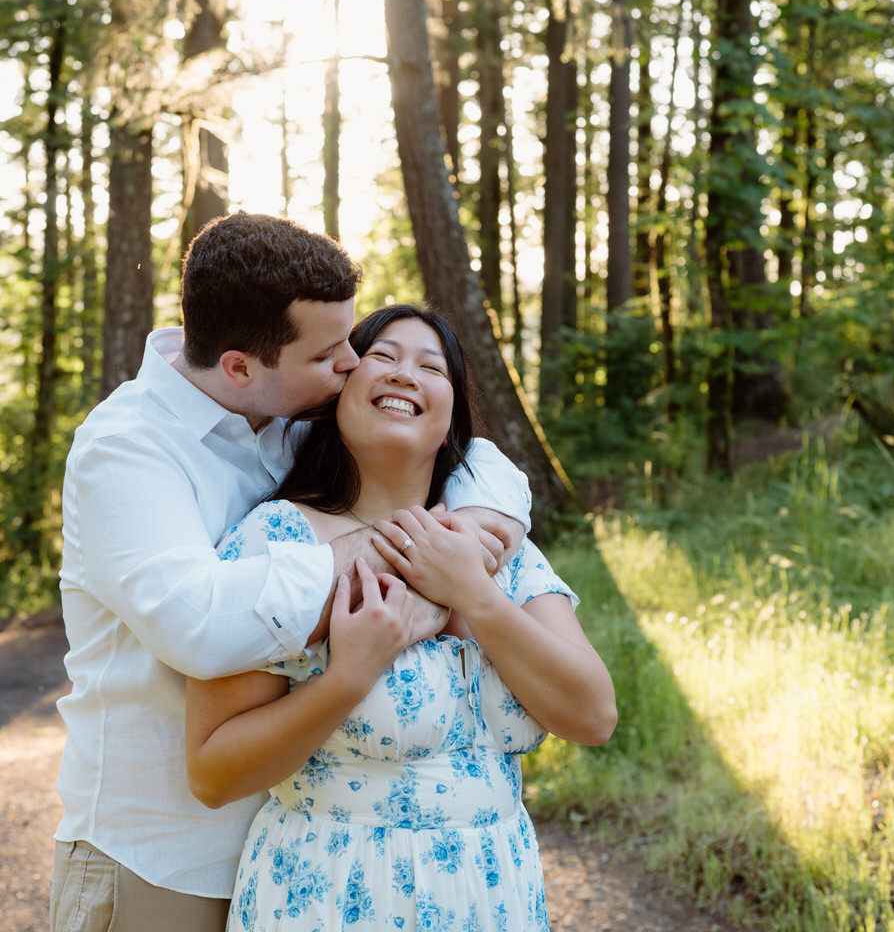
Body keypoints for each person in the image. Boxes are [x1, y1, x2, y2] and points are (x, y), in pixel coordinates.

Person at [51, 214, 535, 932]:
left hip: (286, 856)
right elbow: (201, 627)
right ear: (241, 365)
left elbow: (474, 454)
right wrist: (409, 555)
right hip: (160, 858)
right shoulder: (126, 452)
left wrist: (472, 532)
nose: (352, 364)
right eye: (331, 352)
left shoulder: (287, 408)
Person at [184, 304, 618, 931]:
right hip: (328, 893)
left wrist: (475, 594)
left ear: (451, 423)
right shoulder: (277, 543)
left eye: (431, 366)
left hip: (491, 895)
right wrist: (349, 676)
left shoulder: (504, 552)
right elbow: (213, 773)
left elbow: (594, 715)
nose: (403, 374)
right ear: (339, 395)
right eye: (382, 357)